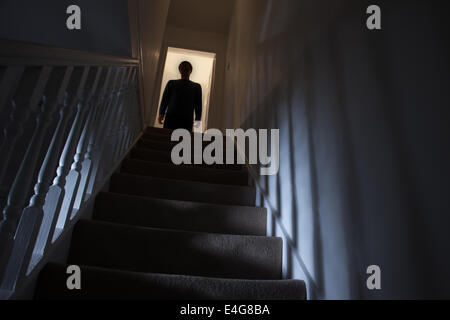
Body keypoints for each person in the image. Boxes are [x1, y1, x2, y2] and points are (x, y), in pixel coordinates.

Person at [158, 61, 202, 132]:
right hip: (171, 118)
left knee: (183, 141)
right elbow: (165, 99)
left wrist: (198, 121)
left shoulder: (196, 87)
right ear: (179, 70)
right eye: (183, 68)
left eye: (186, 68)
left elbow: (198, 106)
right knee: (167, 140)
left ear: (190, 71)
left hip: (186, 120)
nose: (184, 69)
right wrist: (161, 113)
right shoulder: (171, 83)